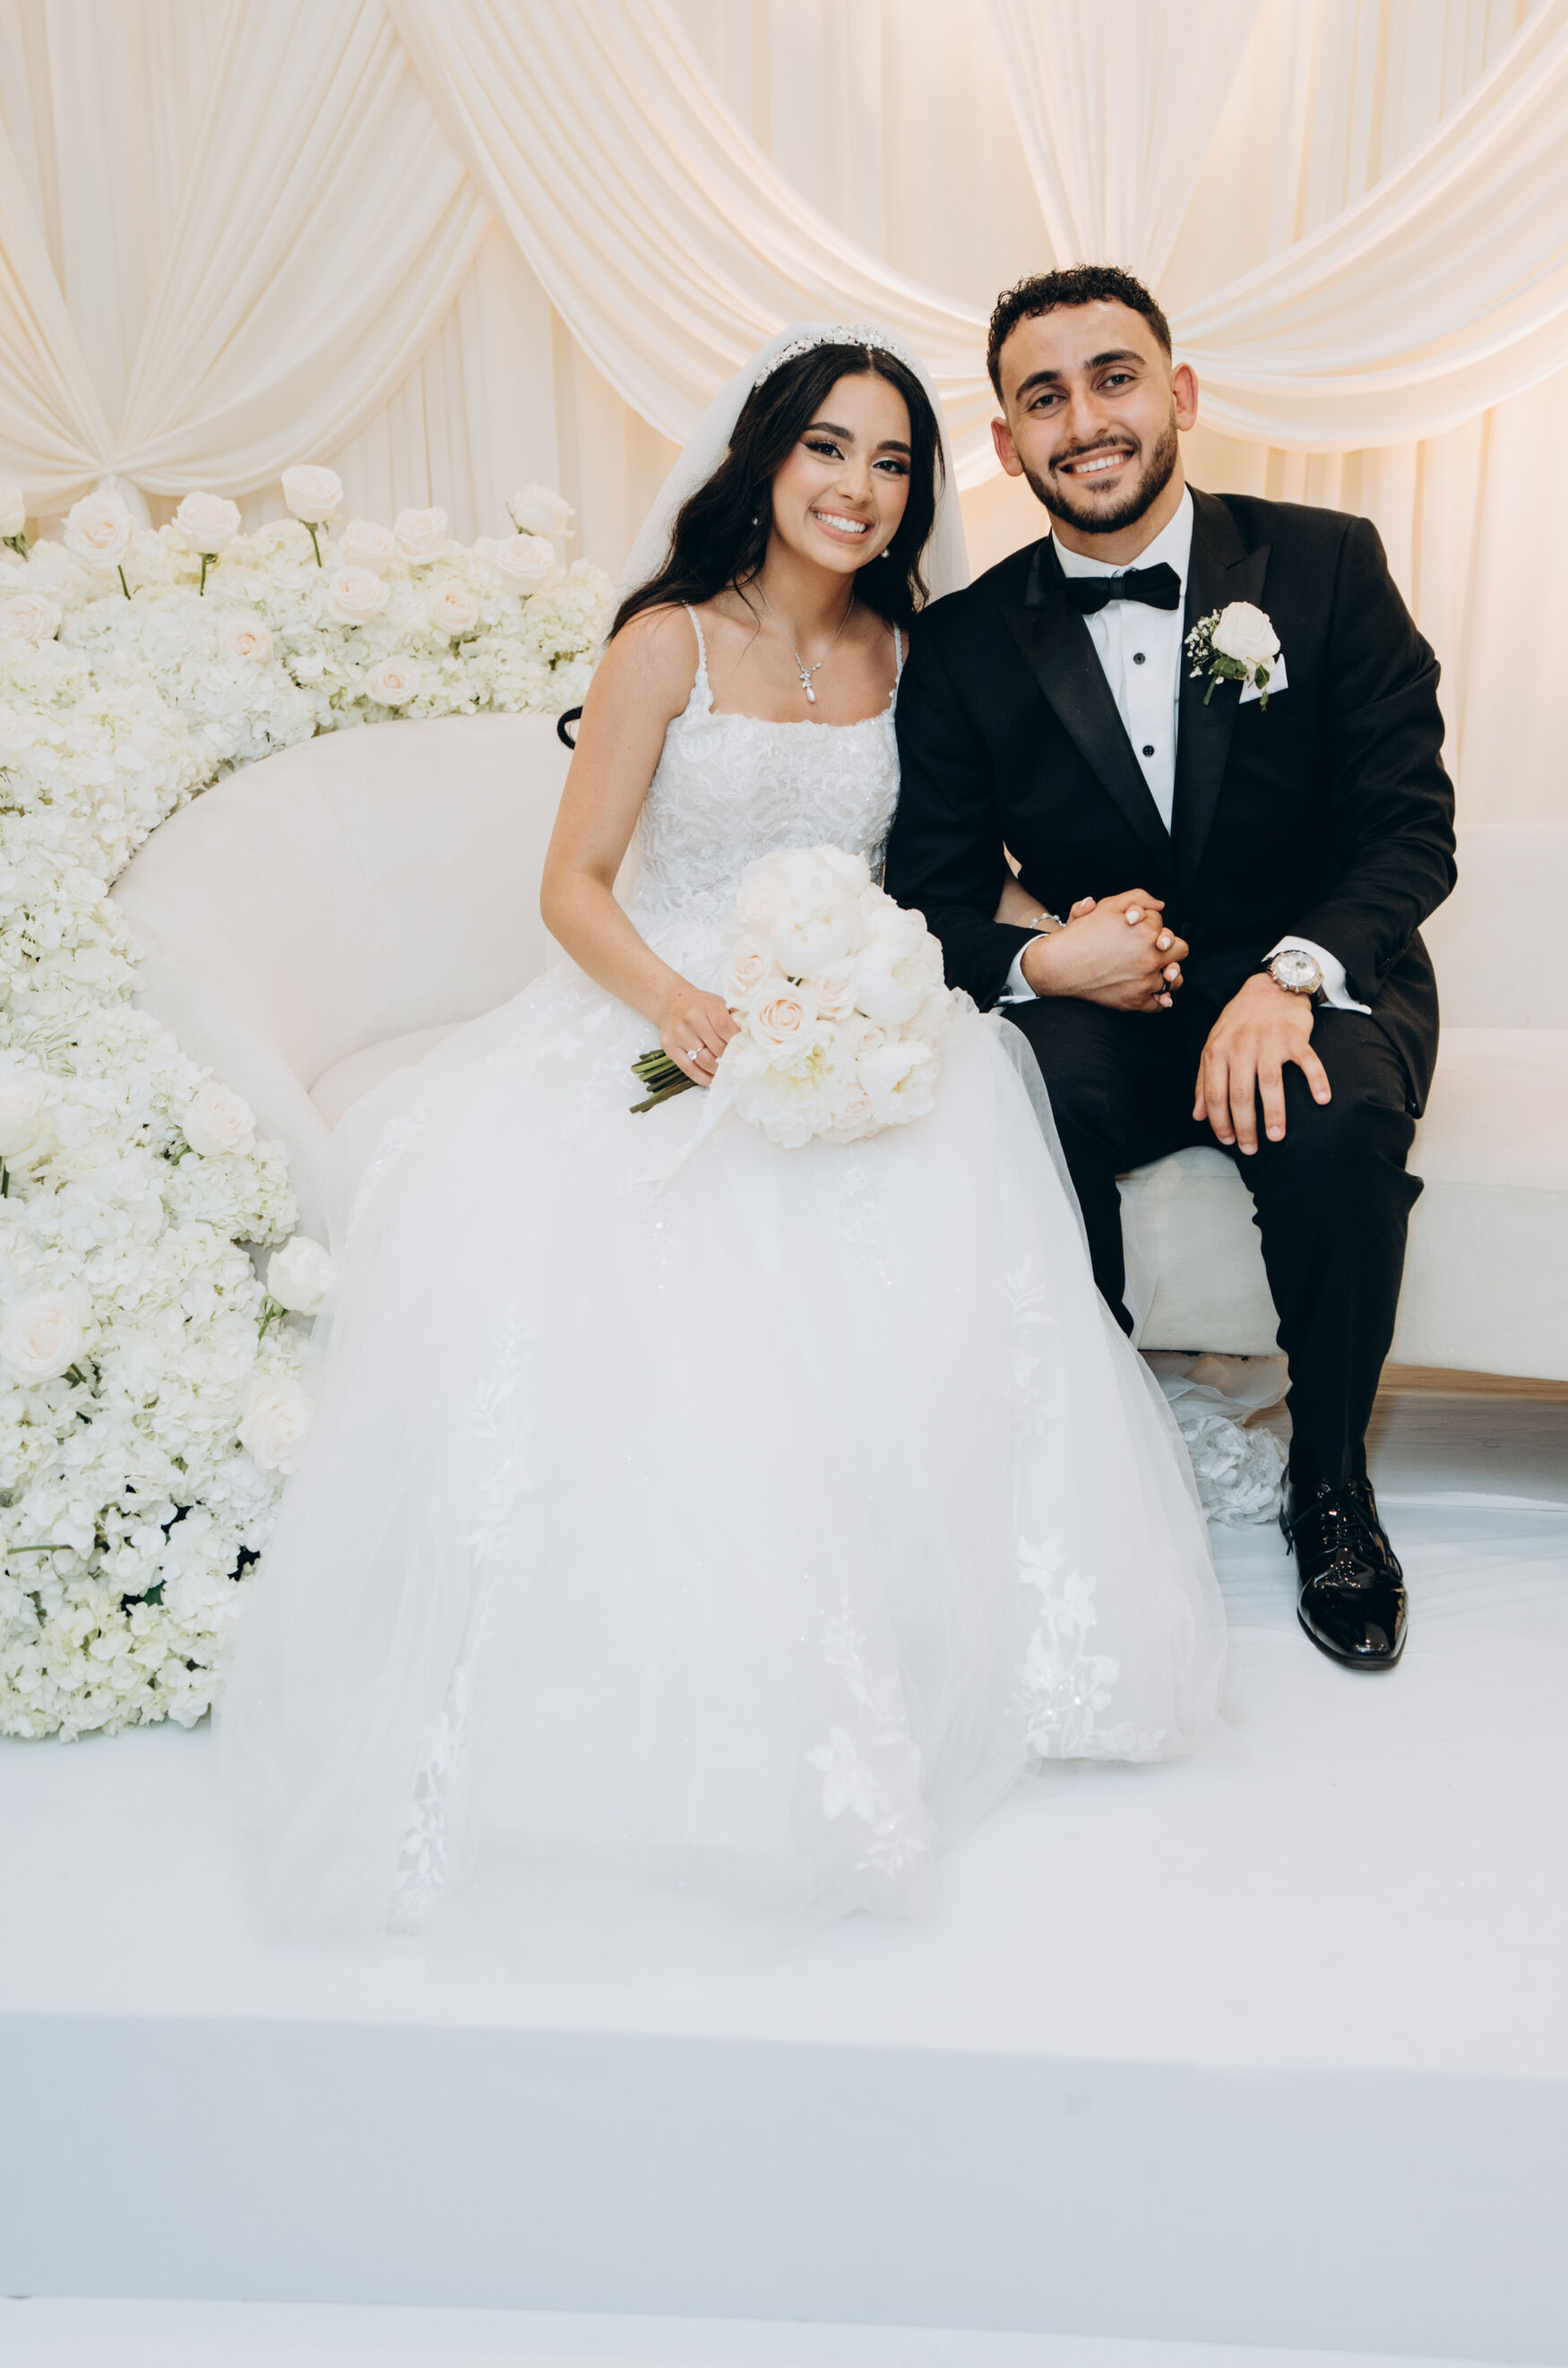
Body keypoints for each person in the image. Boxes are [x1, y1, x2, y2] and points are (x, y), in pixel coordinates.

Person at [219, 324, 1225, 1966]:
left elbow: (938, 874)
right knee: (697, 1252)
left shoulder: (914, 651)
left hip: (857, 1007)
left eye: (892, 463)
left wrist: (1058, 932)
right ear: (765, 460)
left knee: (947, 1165)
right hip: (670, 1005)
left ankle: (949, 1622)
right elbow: (571, 887)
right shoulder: (666, 643)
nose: (859, 488)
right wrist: (688, 1010)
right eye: (829, 448)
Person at [888, 266, 1458, 1674]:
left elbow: (1409, 827)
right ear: (1007, 442)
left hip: (1311, 974)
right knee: (1024, 1103)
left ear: (1179, 394)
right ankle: (1092, 1468)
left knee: (1336, 1131)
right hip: (1114, 999)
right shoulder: (959, 645)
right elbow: (930, 898)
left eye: (1115, 377)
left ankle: (1331, 1484)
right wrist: (1047, 957)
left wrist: (1293, 975)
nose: (1086, 420)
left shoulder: (1327, 565)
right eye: (1044, 398)